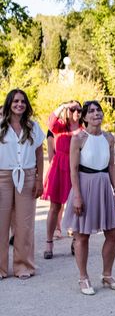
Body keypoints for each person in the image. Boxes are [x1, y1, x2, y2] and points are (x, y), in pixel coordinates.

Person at [62, 100, 115, 295]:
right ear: (85, 117)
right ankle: (83, 278)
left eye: (99, 110)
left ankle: (107, 275)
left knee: (113, 234)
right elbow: (73, 169)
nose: (96, 113)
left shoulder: (109, 137)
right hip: (85, 186)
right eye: (91, 111)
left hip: (104, 185)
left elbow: (112, 165)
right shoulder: (79, 138)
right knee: (82, 235)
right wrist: (77, 196)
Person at [0, 89, 45, 279]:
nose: (20, 104)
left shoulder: (33, 127)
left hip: (26, 177)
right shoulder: (1, 126)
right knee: (1, 224)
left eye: (23, 101)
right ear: (9, 103)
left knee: (24, 224)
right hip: (2, 177)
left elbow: (39, 155)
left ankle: (23, 266)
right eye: (16, 101)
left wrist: (39, 179)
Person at [42, 100, 82, 258]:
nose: (76, 112)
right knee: (55, 207)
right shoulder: (60, 127)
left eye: (79, 109)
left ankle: (75, 241)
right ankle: (49, 242)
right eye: (73, 109)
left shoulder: (83, 129)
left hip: (76, 170)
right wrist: (64, 106)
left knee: (77, 207)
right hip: (59, 168)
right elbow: (50, 121)